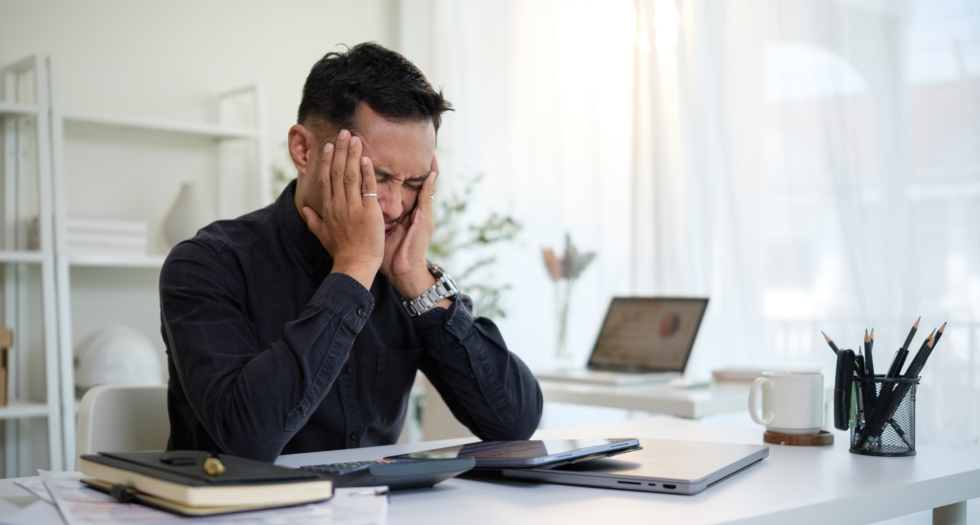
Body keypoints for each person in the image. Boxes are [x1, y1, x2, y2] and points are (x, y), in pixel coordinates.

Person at [159, 43, 542, 462]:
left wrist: (415, 277)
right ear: (303, 151)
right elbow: (248, 439)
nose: (394, 206)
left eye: (414, 182)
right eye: (375, 176)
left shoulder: (405, 274)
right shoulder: (208, 264)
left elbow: (513, 423)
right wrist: (355, 269)